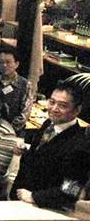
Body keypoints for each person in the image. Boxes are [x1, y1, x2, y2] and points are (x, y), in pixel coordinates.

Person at [11, 82, 90, 210]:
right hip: (20, 196)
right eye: (52, 102)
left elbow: (71, 191)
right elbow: (45, 155)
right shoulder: (49, 123)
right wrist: (25, 150)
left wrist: (34, 197)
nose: (54, 108)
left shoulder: (80, 147)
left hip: (43, 208)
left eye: (62, 105)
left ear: (77, 110)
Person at [0, 48, 32, 134]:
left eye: (8, 62)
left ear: (16, 64)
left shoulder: (25, 84)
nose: (4, 65)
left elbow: (25, 113)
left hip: (12, 131)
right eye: (1, 62)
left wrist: (8, 129)